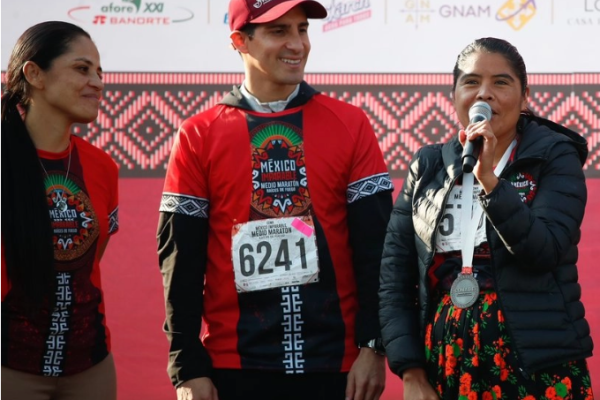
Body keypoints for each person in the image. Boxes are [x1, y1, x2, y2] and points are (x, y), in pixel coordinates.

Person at [156, 1, 393, 399]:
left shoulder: (350, 124)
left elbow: (378, 249)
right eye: (279, 31)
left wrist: (374, 346)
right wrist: (186, 365)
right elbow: (180, 259)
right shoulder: (198, 135)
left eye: (302, 29)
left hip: (337, 365)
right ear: (240, 41)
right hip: (233, 367)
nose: (297, 44)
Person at [379, 36, 594, 400]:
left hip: (536, 363)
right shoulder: (428, 165)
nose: (484, 94)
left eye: (501, 82)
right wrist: (410, 371)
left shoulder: (555, 156)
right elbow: (394, 278)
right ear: (454, 95)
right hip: (445, 363)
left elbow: (545, 249)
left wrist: (490, 182)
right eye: (471, 82)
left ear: (525, 97)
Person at [1, 21, 119, 400]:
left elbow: (92, 263)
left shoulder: (103, 167)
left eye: (99, 72)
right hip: (9, 370)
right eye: (82, 69)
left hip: (91, 368)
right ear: (34, 74)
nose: (97, 83)